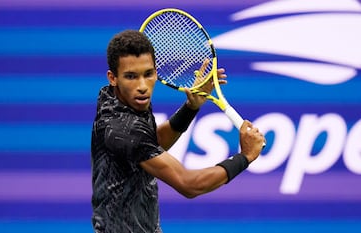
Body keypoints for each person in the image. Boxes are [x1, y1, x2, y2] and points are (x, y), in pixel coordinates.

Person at [91, 29, 265, 233]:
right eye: (131, 76)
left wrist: (191, 108)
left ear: (156, 71)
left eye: (148, 74)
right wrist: (245, 156)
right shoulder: (121, 127)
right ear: (113, 78)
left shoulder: (119, 100)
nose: (142, 86)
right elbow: (189, 184)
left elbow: (151, 144)